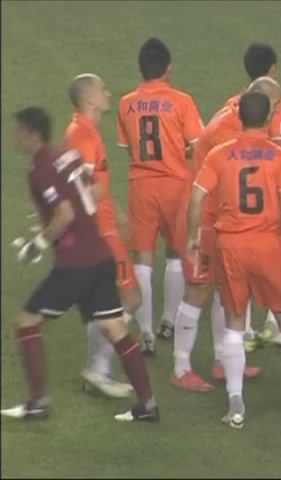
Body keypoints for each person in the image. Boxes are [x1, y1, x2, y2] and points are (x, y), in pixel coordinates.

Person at [188, 92, 281, 428]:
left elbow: (197, 197)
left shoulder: (219, 154)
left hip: (231, 246)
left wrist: (193, 237)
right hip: (268, 246)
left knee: (234, 321)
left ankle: (236, 405)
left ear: (239, 117)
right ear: (269, 118)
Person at [1, 107, 158, 422]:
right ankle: (147, 405)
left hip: (75, 264)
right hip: (99, 256)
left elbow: (65, 214)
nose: (14, 136)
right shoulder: (68, 156)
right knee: (115, 329)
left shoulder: (40, 168)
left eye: (19, 131)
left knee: (27, 323)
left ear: (32, 134)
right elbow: (93, 191)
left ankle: (37, 402)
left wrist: (37, 244)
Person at [171, 77, 281, 391]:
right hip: (205, 220)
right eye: (274, 108)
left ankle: (222, 360)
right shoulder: (227, 132)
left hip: (221, 220)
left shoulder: (238, 113)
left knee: (225, 290)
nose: (276, 115)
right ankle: (180, 368)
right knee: (198, 291)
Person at [117, 37, 204, 354]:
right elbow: (198, 144)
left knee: (142, 257)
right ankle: (169, 321)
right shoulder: (182, 101)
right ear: (169, 67)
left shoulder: (126, 103)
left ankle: (145, 333)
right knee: (176, 252)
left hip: (142, 185)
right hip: (177, 186)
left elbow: (129, 147)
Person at [62, 73, 141, 398]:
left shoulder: (86, 130)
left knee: (106, 304)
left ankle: (99, 369)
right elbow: (81, 191)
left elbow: (97, 185)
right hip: (98, 234)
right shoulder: (82, 135)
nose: (108, 91)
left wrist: (117, 212)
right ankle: (98, 368)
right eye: (102, 88)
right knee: (130, 298)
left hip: (103, 228)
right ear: (89, 99)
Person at [220, 42, 281, 349]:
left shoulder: (234, 103)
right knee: (275, 259)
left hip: (233, 197)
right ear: (273, 69)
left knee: (240, 267)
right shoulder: (280, 104)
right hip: (268, 198)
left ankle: (246, 330)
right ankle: (275, 325)